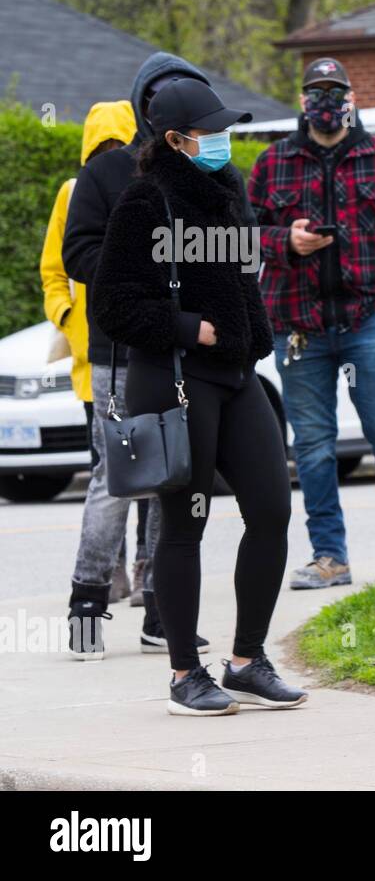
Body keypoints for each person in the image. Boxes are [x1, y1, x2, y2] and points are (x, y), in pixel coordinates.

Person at [93, 79, 305, 716]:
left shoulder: (228, 189)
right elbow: (112, 304)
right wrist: (188, 326)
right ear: (175, 139)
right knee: (185, 524)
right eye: (210, 132)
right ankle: (186, 673)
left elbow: (241, 278)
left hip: (239, 375)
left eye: (225, 130)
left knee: (271, 509)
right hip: (179, 377)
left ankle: (246, 661)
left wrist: (253, 334)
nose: (223, 141)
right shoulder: (144, 202)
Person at [248, 57, 375, 590]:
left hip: (368, 321)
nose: (326, 103)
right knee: (311, 445)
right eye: (316, 92)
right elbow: (242, 236)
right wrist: (285, 241)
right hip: (298, 326)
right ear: (303, 100)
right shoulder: (272, 162)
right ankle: (330, 555)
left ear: (351, 99)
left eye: (336, 92)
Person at [62, 55, 222, 658]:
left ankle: (162, 611)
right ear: (141, 108)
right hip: (120, 351)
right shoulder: (105, 171)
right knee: (117, 480)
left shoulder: (200, 172)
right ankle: (86, 606)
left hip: (181, 350)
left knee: (173, 477)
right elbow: (79, 254)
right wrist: (142, 270)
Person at [40, 101, 135, 609]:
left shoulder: (146, 182)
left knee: (145, 473)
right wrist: (65, 317)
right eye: (102, 147)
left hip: (125, 351)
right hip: (94, 357)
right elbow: (55, 267)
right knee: (111, 470)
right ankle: (110, 577)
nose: (110, 154)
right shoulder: (74, 192)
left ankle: (143, 586)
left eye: (116, 144)